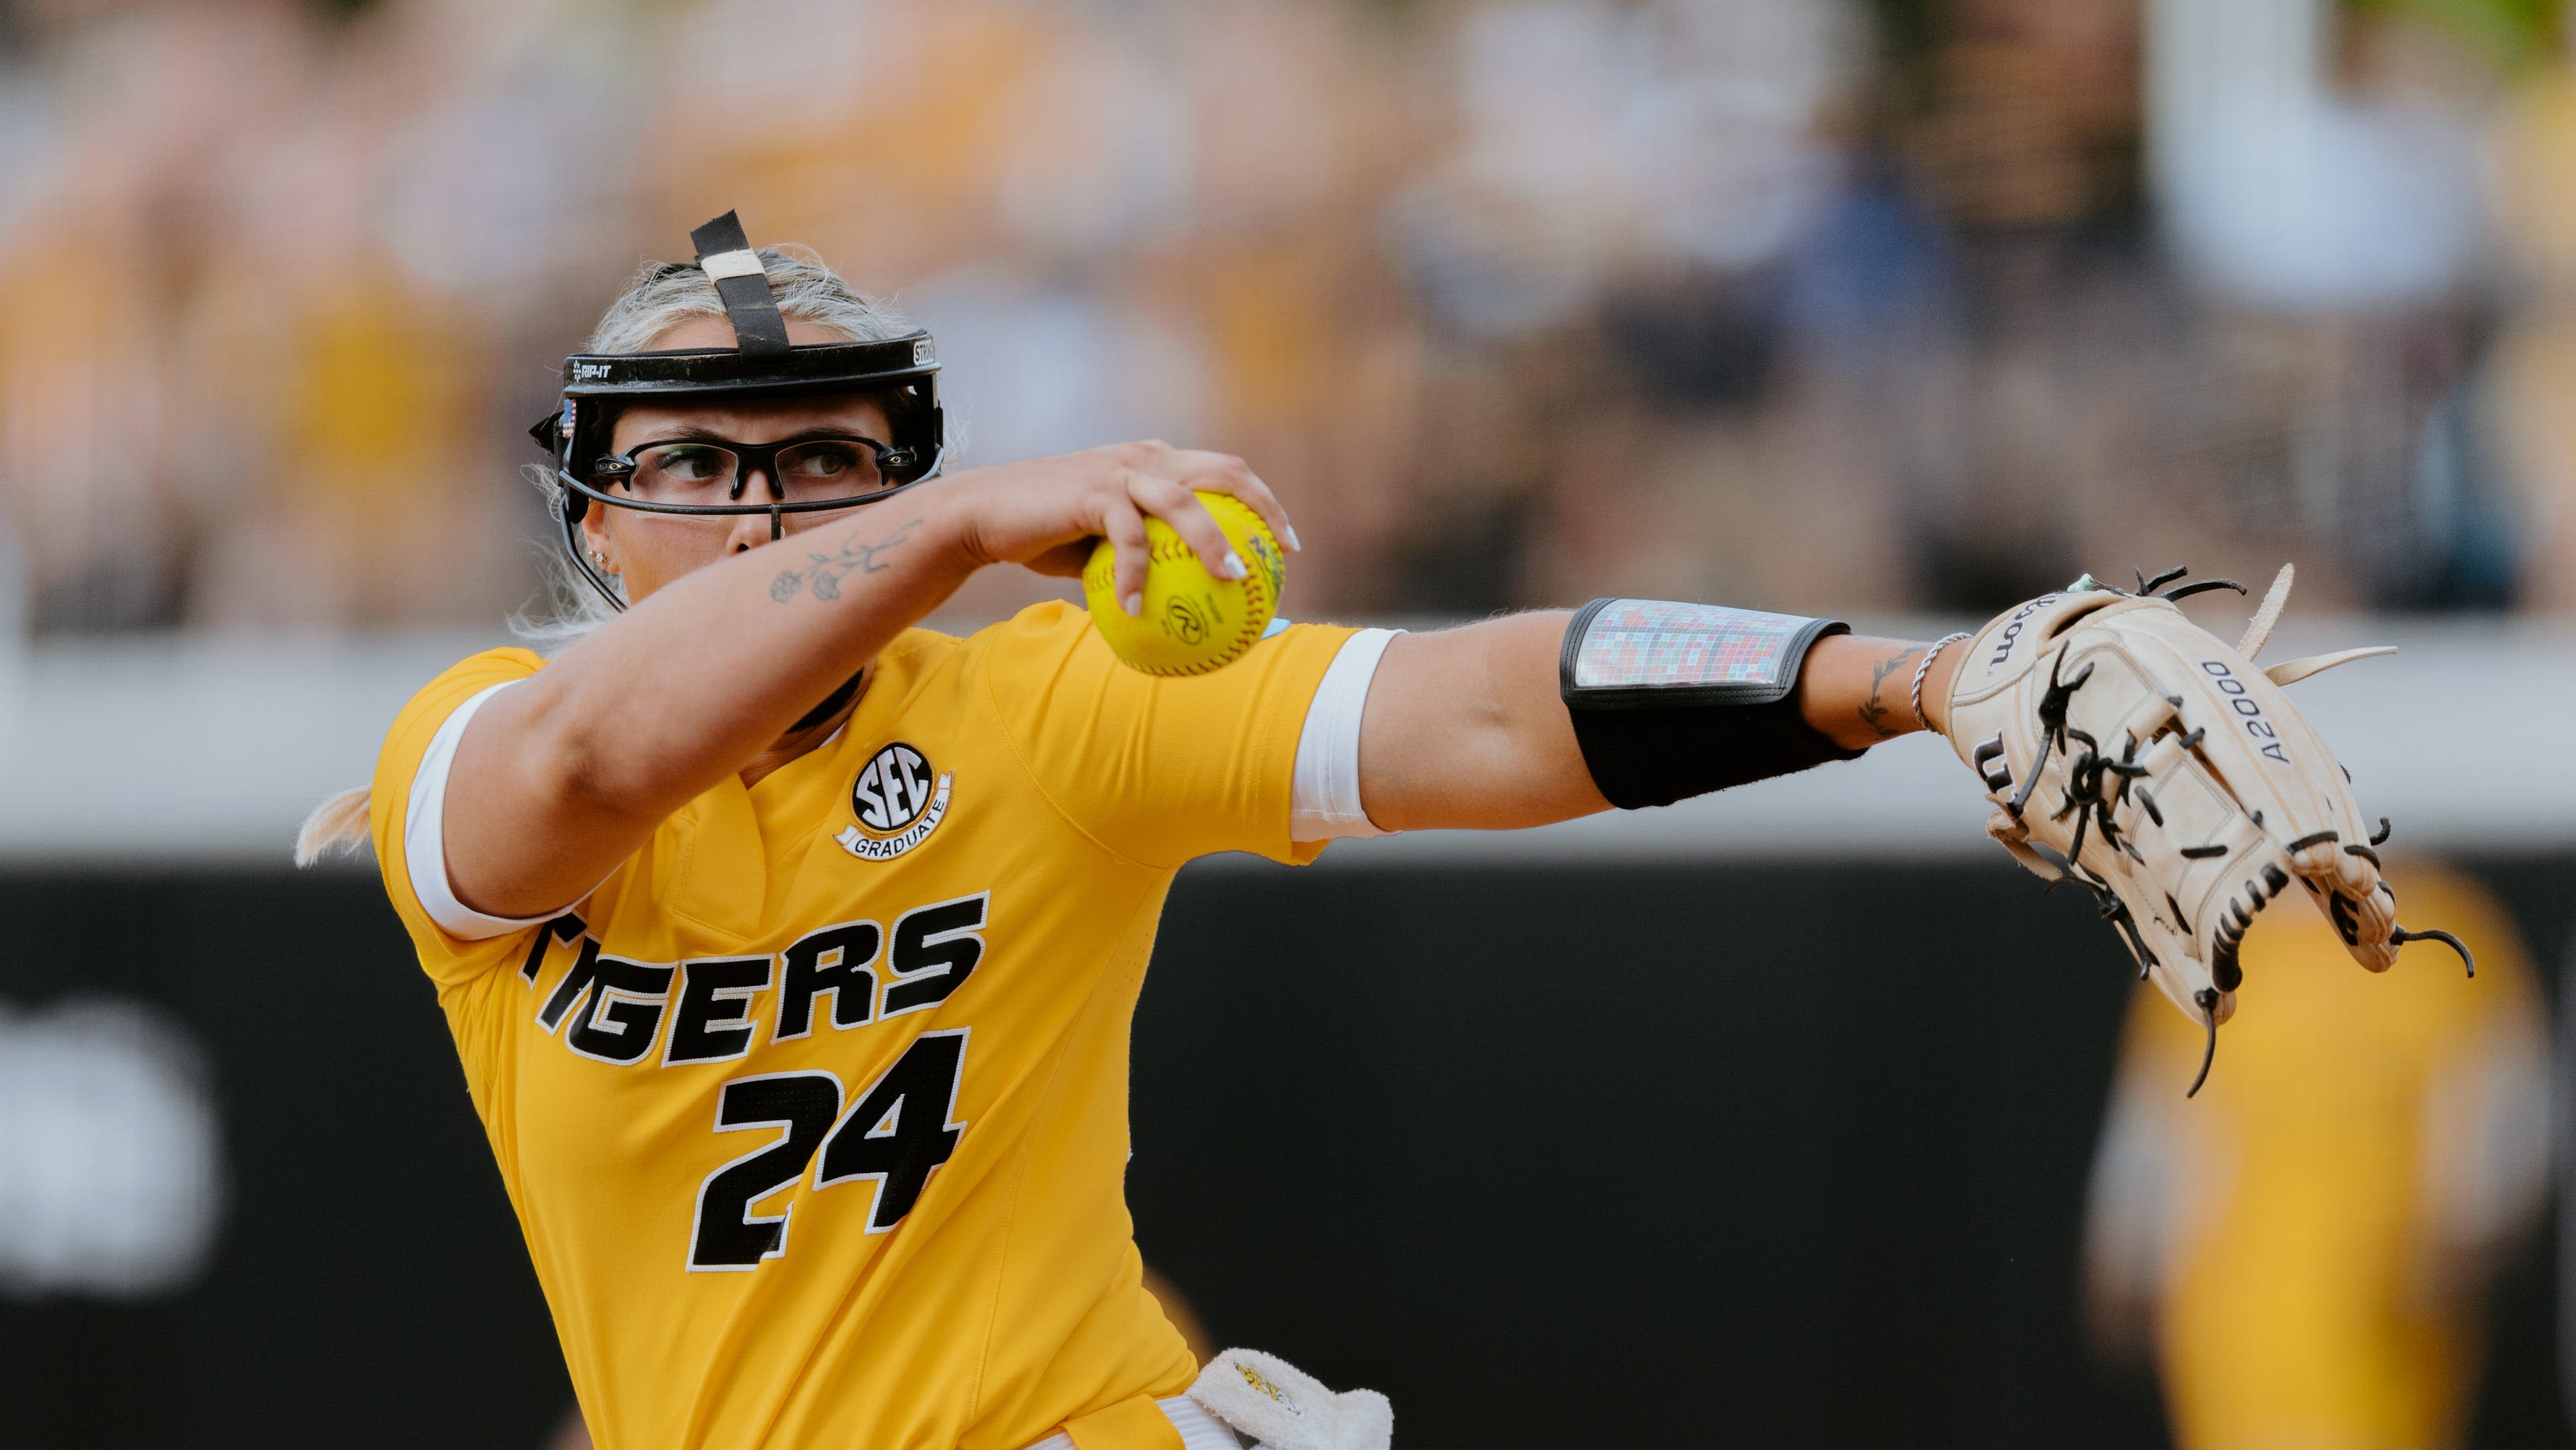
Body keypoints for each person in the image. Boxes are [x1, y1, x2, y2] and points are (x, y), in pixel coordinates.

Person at [292, 213, 2389, 1450]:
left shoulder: (1033, 708)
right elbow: (578, 778)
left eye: (826, 458)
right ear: (589, 513)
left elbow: (1476, 697)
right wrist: (939, 520)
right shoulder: (470, 743)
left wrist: (1906, 677)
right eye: (697, 466)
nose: (765, 510)